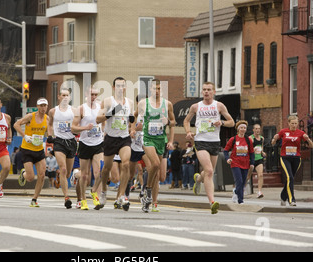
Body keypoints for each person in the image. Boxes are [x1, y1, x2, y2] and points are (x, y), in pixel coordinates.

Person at [183, 81, 235, 214]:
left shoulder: (219, 106)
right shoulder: (196, 106)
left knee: (207, 172)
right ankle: (212, 202)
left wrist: (221, 122)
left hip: (214, 142)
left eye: (209, 90)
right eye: (204, 89)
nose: (206, 92)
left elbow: (232, 122)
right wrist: (188, 132)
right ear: (202, 92)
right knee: (210, 171)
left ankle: (198, 179)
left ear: (213, 92)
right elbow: (187, 120)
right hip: (200, 141)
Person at [132, 79, 175, 213]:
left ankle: (149, 197)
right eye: (153, 88)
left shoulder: (167, 104)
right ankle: (148, 192)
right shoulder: (143, 103)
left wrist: (168, 122)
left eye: (158, 89)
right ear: (149, 89)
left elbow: (173, 122)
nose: (156, 91)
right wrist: (132, 129)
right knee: (155, 164)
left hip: (160, 139)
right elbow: (133, 116)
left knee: (157, 174)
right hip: (147, 138)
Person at [93, 77, 135, 211]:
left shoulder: (129, 102)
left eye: (122, 86)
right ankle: (104, 191)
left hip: (124, 138)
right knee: (106, 168)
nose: (120, 88)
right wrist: (111, 112)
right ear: (113, 87)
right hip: (110, 138)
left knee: (126, 163)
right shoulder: (107, 101)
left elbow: (132, 119)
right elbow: (98, 119)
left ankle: (121, 195)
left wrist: (132, 127)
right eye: (117, 86)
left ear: (125, 88)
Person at [71, 86, 103, 210]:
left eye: (95, 94)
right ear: (86, 94)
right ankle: (83, 199)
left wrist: (104, 132)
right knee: (85, 175)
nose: (94, 97)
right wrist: (85, 128)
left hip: (98, 143)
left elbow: (103, 121)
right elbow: (73, 128)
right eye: (92, 94)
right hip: (85, 144)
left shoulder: (100, 107)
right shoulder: (81, 109)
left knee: (101, 170)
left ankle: (94, 191)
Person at [271, 115, 313, 206]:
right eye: (292, 123)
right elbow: (273, 142)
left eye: (295, 123)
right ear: (289, 123)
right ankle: (292, 199)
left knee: (290, 179)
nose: (294, 125)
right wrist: (274, 139)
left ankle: (283, 197)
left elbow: (311, 146)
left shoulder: (300, 132)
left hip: (296, 158)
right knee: (290, 177)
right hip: (285, 157)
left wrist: (308, 139)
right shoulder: (284, 131)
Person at [14, 98, 49, 207]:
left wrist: (49, 143)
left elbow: (48, 134)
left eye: (45, 106)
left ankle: (34, 199)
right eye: (41, 105)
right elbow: (16, 124)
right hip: (27, 149)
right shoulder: (31, 116)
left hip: (39, 150)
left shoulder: (47, 119)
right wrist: (25, 136)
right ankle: (23, 174)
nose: (43, 108)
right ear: (37, 106)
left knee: (42, 175)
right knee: (30, 178)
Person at [47, 88, 78, 209]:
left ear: (69, 97)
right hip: (59, 141)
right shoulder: (53, 111)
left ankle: (66, 177)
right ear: (59, 97)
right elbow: (49, 125)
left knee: (68, 172)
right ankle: (67, 197)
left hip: (71, 141)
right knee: (63, 169)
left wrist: (77, 131)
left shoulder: (74, 111)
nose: (65, 97)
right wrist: (50, 135)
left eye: (67, 95)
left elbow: (77, 124)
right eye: (63, 95)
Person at [224, 120, 254, 205]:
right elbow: (225, 150)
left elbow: (251, 152)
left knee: (243, 181)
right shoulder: (233, 139)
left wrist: (252, 163)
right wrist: (227, 159)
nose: (243, 129)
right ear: (238, 129)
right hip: (235, 163)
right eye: (241, 127)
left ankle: (236, 191)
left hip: (245, 164)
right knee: (239, 181)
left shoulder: (248, 140)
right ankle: (241, 200)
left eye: (244, 128)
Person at [246, 123, 266, 198]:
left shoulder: (262, 138)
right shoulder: (250, 138)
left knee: (260, 174)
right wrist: (252, 150)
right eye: (256, 129)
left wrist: (262, 152)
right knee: (248, 176)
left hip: (259, 159)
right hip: (251, 159)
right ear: (253, 130)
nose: (258, 130)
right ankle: (242, 188)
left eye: (259, 129)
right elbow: (247, 148)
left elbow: (261, 147)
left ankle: (259, 192)